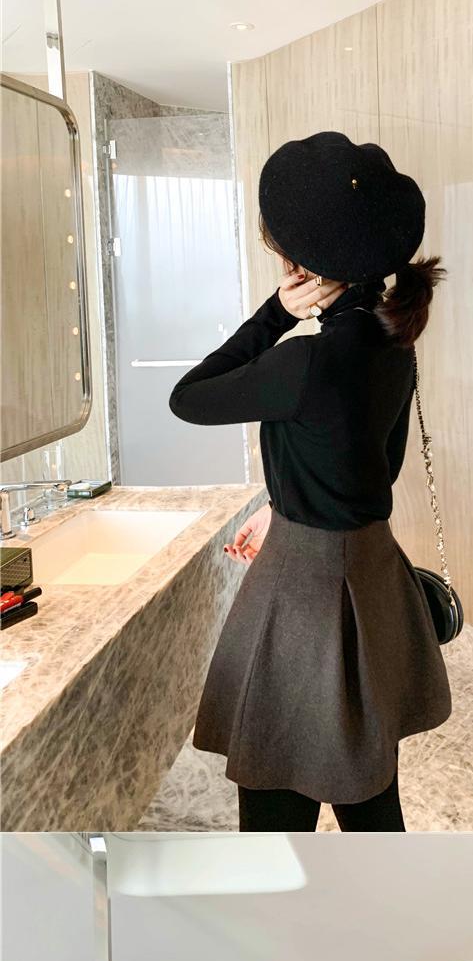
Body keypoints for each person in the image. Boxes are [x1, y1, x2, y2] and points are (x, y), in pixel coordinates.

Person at [169, 131, 452, 832]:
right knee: (369, 797)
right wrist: (289, 501)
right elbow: (373, 467)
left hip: (301, 595)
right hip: (371, 577)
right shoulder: (394, 345)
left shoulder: (301, 364)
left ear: (303, 266)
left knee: (274, 816)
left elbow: (189, 397)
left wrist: (275, 313)